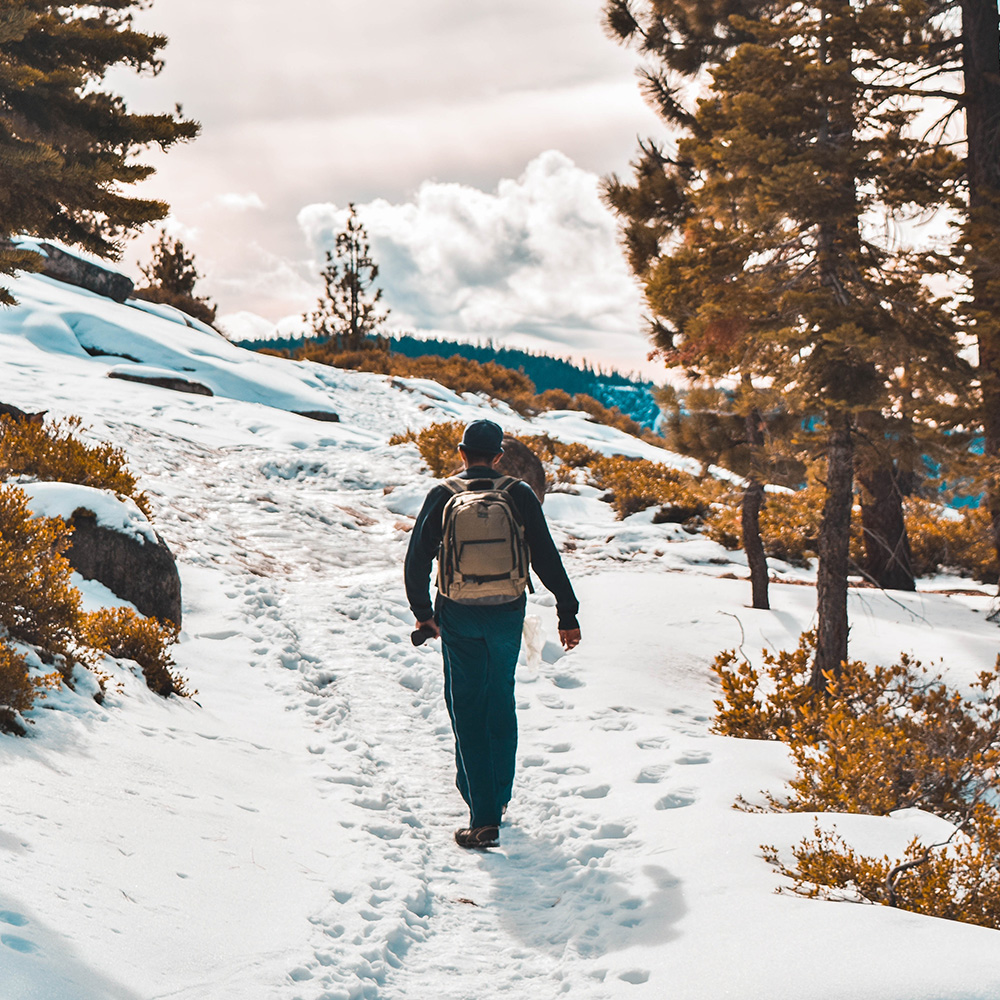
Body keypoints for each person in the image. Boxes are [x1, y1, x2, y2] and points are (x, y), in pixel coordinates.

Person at [405, 418, 581, 849]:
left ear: (462, 453)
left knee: (466, 706)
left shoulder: (443, 494)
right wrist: (567, 612)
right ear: (500, 456)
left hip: (458, 613)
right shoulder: (518, 493)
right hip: (506, 611)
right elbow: (546, 557)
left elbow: (416, 562)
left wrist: (424, 615)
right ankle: (496, 796)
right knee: (500, 698)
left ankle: (482, 815)